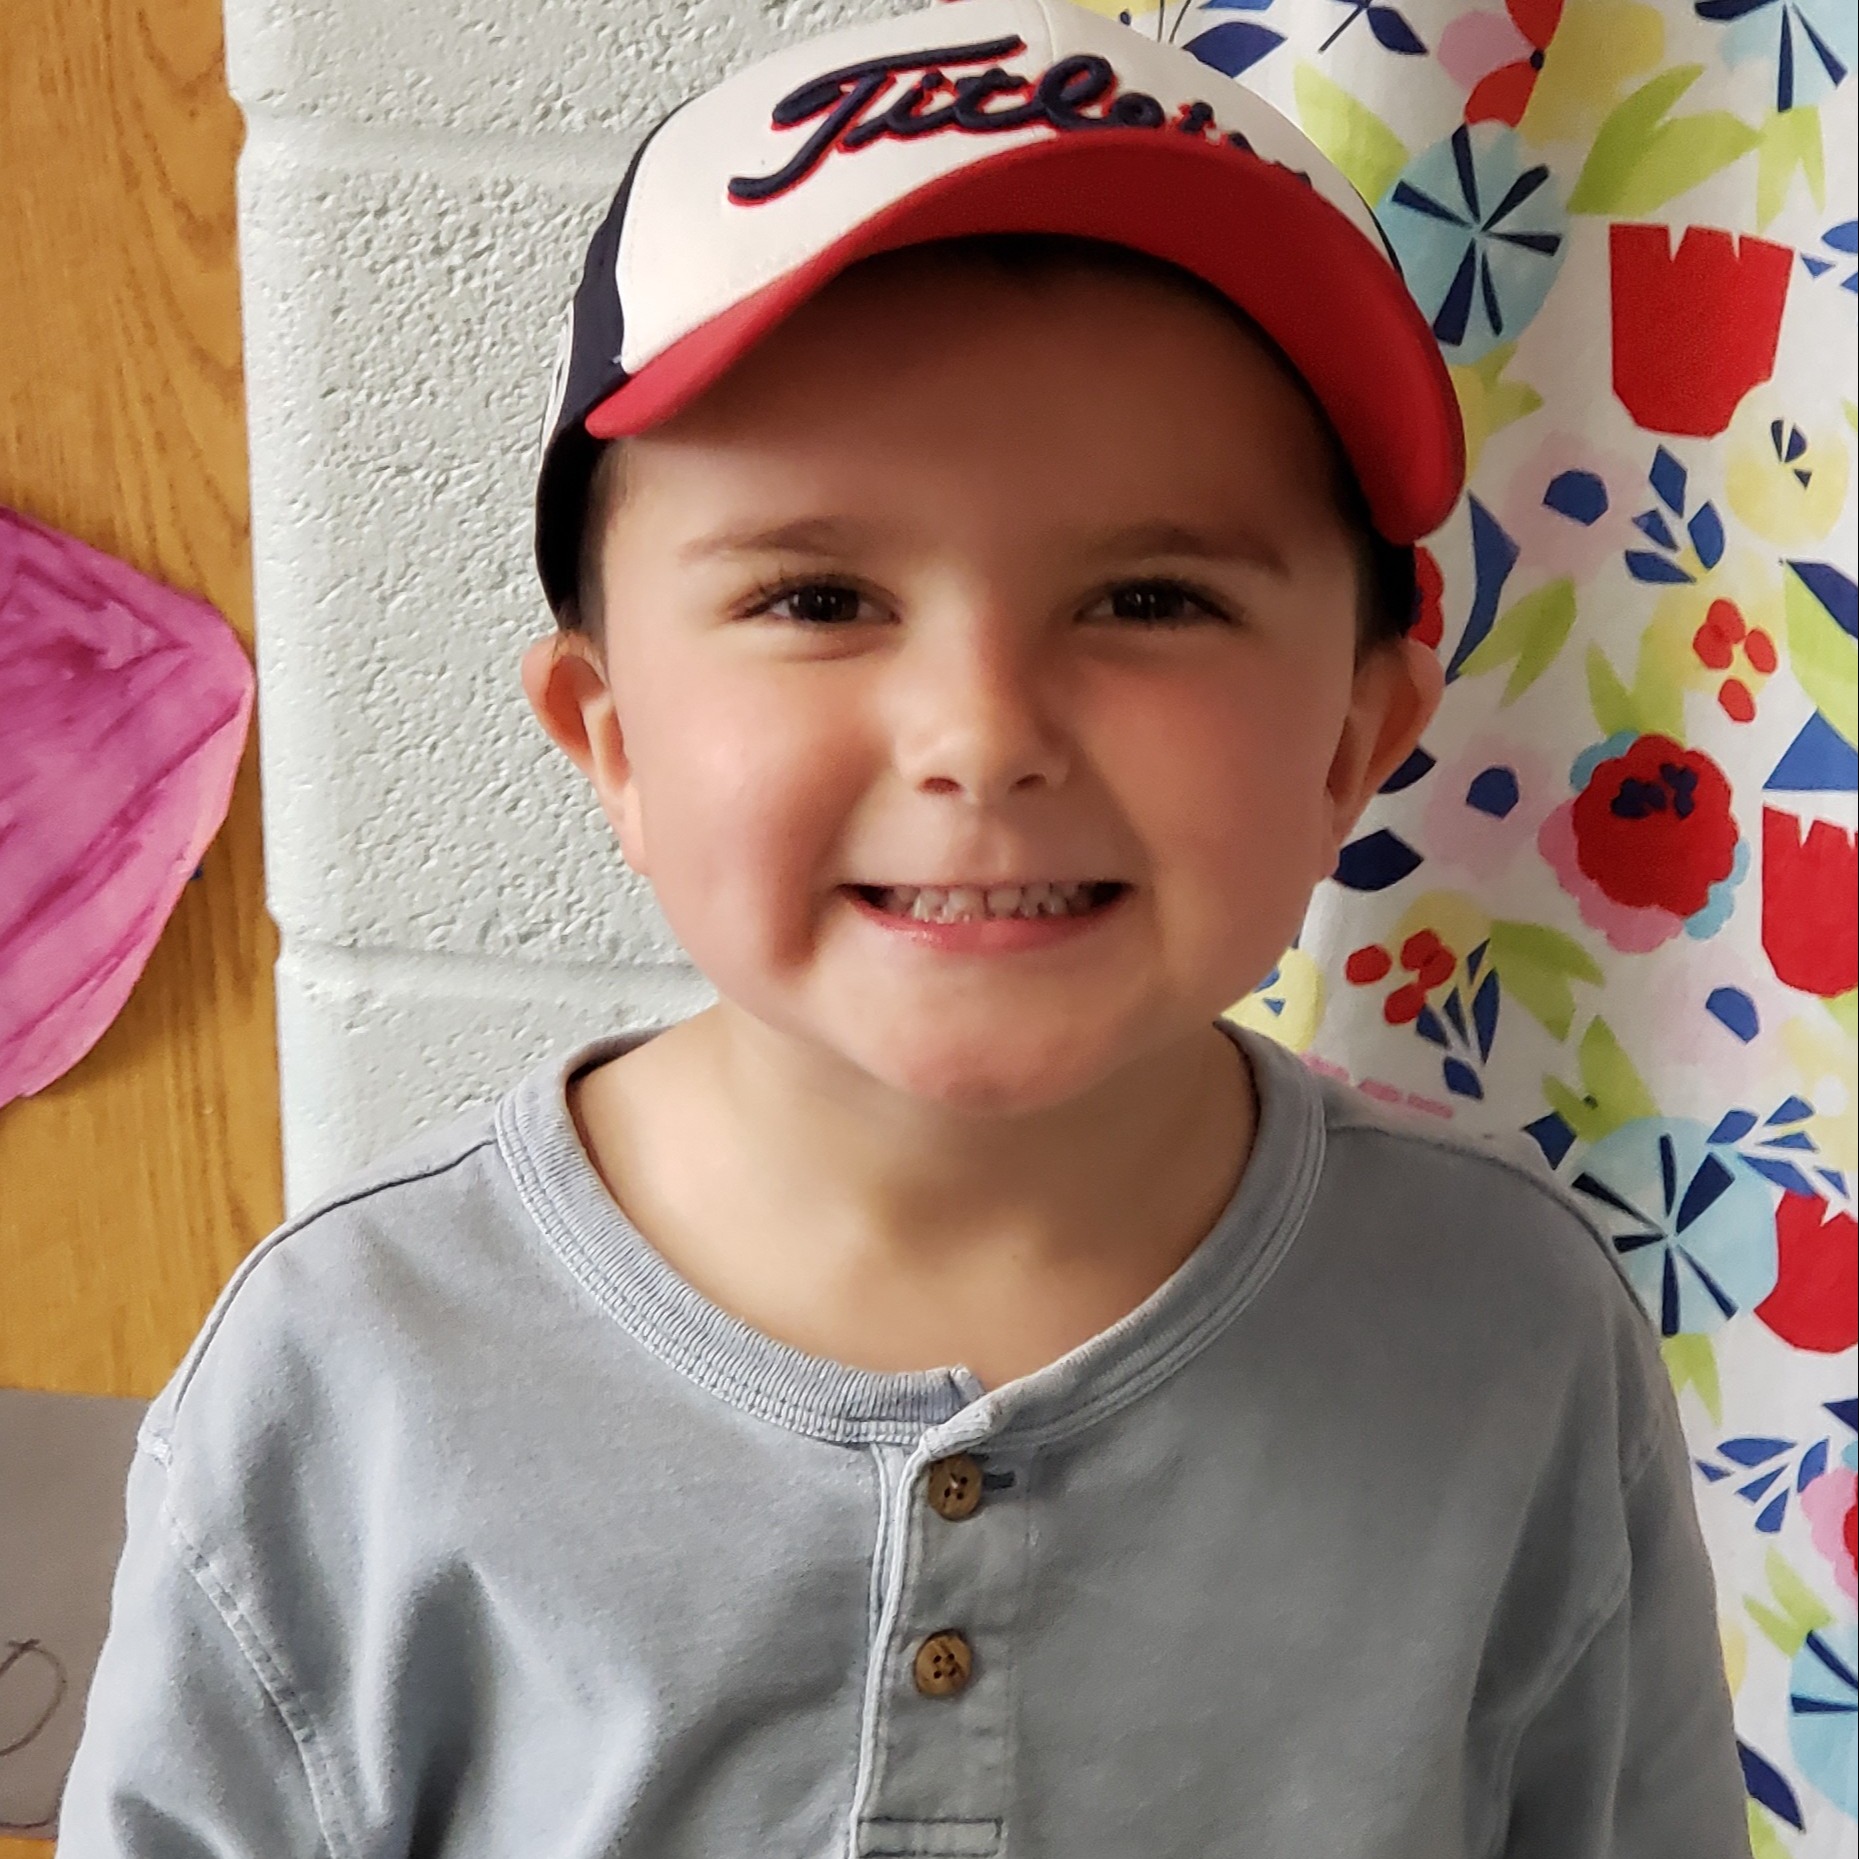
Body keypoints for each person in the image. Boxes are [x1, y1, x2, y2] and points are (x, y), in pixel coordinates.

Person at [58, 1, 1752, 1852]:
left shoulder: (1509, 1332)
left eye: (1153, 595)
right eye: (819, 595)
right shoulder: (350, 1371)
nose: (983, 736)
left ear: (1354, 736)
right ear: (608, 740)